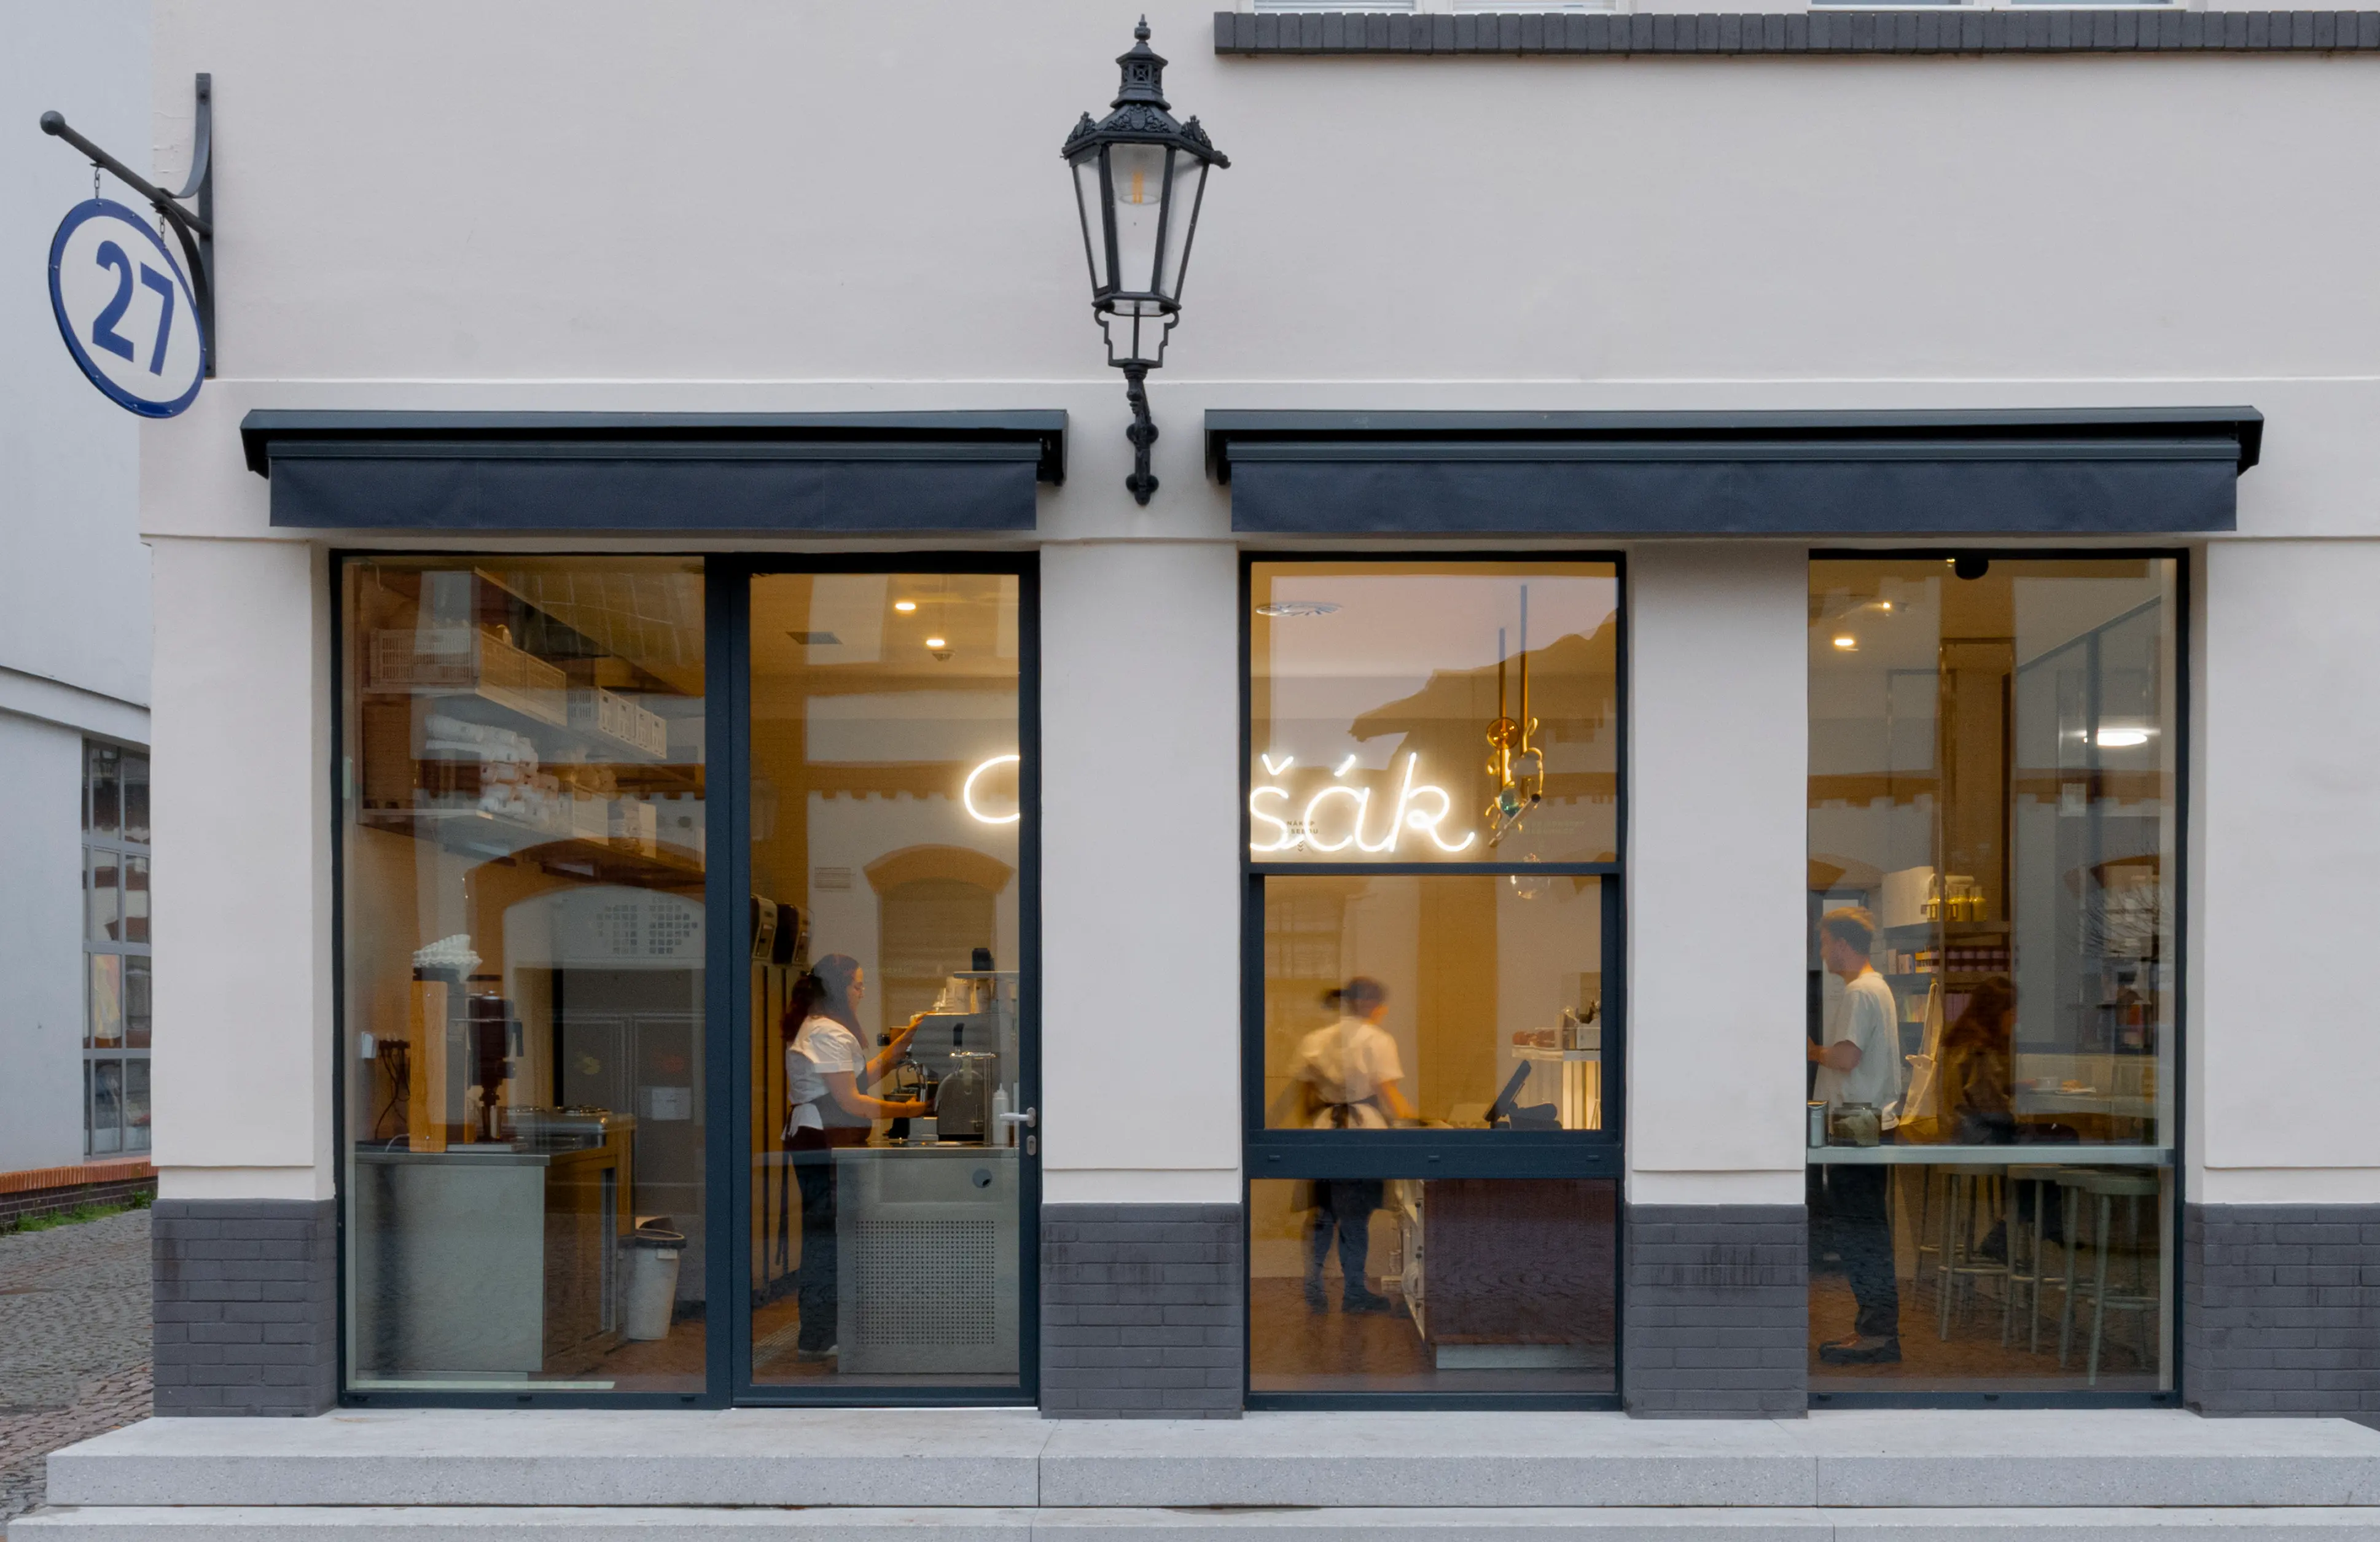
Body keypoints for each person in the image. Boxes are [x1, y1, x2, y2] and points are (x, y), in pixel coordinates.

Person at [782, 954, 931, 1364]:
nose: (862, 992)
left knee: (830, 1234)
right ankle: (817, 1336)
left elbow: (857, 1078)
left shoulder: (824, 1028)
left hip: (820, 1139)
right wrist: (913, 1109)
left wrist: (903, 1044)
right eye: (857, 985)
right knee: (825, 1238)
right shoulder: (826, 1032)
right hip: (821, 1140)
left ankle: (827, 1331)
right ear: (838, 988)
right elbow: (851, 1100)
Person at [1278, 978, 1418, 1315]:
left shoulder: (1316, 1040)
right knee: (1356, 1215)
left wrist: (1311, 1128)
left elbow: (1303, 1093)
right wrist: (1416, 1125)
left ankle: (1314, 1283)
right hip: (1363, 1131)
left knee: (1322, 1213)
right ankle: (1354, 1291)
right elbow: (1388, 1092)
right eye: (1381, 1006)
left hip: (1324, 1130)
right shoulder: (1377, 1039)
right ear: (1371, 1005)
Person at [1811, 906, 1905, 1365]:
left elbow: (1846, 1058)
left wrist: (1811, 1051)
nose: (1822, 951)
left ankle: (1877, 1334)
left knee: (1859, 1231)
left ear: (1843, 944)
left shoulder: (1859, 992)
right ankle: (1873, 1327)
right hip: (1870, 1118)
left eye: (1825, 942)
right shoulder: (1878, 988)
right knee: (1865, 1227)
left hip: (1856, 1119)